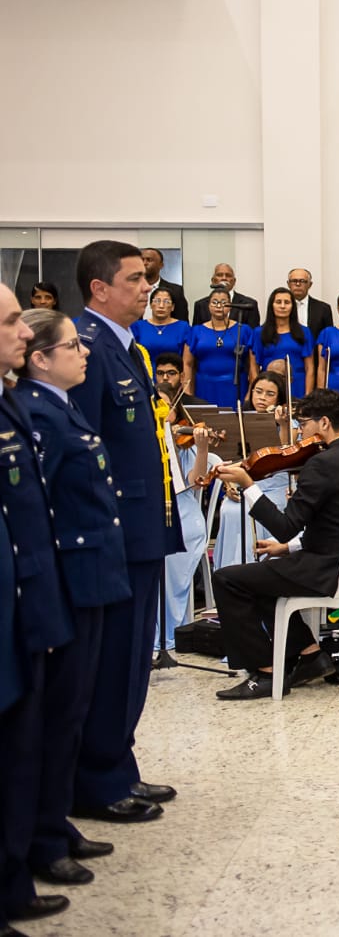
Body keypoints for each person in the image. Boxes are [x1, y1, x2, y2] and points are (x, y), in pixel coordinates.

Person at [71, 240, 182, 824]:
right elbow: (83, 447)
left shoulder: (130, 350)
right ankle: (96, 779)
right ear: (100, 288)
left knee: (135, 656)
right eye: (136, 279)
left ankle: (120, 765)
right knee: (113, 658)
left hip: (145, 524)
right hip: (115, 527)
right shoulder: (84, 347)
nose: (149, 289)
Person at [210, 389, 339, 698]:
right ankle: (310, 654)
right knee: (264, 575)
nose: (299, 432)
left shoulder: (321, 465)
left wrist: (248, 485)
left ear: (325, 423)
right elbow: (338, 525)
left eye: (303, 424)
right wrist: (287, 550)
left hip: (327, 570)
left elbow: (285, 527)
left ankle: (265, 672)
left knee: (226, 579)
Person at [0, 292, 79, 930]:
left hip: (32, 594)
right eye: (9, 322)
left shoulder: (10, 407)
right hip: (18, 597)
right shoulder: (23, 407)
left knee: (31, 738)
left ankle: (17, 874)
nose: (21, 329)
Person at [155, 383, 221, 654]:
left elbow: (196, 483)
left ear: (175, 410)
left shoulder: (186, 445)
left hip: (183, 516)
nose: (160, 414)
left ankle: (169, 632)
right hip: (153, 515)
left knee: (169, 558)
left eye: (164, 408)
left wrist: (202, 447)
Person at [212, 372, 293, 572]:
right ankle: (231, 570)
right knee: (230, 509)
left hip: (275, 487)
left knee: (255, 512)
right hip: (243, 485)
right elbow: (232, 460)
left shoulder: (290, 424)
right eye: (258, 392)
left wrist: (283, 424)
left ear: (279, 399)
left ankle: (254, 569)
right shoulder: (239, 421)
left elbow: (285, 456)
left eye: (269, 394)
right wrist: (228, 485)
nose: (262, 398)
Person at [184, 287, 255, 407]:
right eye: (215, 302)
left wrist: (250, 394)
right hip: (204, 386)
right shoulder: (196, 331)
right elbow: (188, 363)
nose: (219, 306)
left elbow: (252, 366)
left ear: (230, 306)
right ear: (208, 305)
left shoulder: (243, 330)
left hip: (235, 387)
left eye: (223, 302)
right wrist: (187, 392)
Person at [254, 287, 315, 399]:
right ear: (271, 305)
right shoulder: (259, 332)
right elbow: (254, 366)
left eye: (287, 302)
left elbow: (309, 367)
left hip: (297, 384)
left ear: (293, 306)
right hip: (269, 386)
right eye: (278, 302)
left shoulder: (304, 332)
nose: (282, 306)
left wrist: (308, 395)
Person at [190, 263, 259, 328]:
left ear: (234, 281)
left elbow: (253, 336)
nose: (224, 278)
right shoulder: (200, 305)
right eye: (219, 275)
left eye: (228, 275)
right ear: (213, 280)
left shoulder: (249, 304)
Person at [131, 285, 189, 356]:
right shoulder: (138, 326)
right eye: (157, 301)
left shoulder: (183, 327)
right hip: (144, 366)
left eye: (166, 302)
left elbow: (187, 360)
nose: (161, 306)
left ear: (172, 307)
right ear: (151, 305)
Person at [285, 268, 334, 347]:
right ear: (288, 284)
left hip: (315, 355)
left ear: (310, 284)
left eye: (302, 281)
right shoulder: (280, 307)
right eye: (294, 281)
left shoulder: (323, 308)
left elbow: (328, 338)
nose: (298, 284)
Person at [140, 247, 187, 322]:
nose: (144, 263)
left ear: (161, 265)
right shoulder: (130, 290)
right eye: (142, 260)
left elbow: (182, 321)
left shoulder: (176, 290)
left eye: (149, 260)